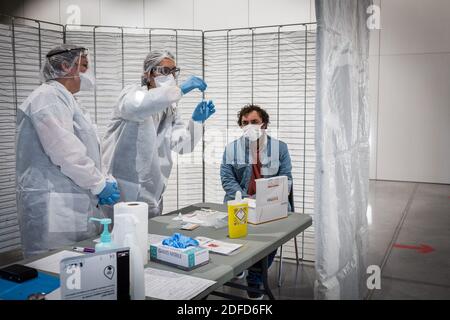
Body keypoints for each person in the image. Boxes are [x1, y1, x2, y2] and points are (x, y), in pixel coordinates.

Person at [16, 44, 120, 257]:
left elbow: (85, 149)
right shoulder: (47, 97)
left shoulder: (68, 100)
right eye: (84, 66)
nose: (88, 73)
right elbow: (64, 150)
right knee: (52, 267)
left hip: (70, 201)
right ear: (65, 66)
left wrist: (100, 178)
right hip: (53, 205)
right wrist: (98, 184)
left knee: (75, 269)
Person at [102, 50, 215, 218]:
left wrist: (196, 122)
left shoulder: (170, 108)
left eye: (173, 71)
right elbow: (140, 105)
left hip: (152, 189)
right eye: (164, 71)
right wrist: (181, 89)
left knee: (148, 237)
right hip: (121, 188)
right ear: (148, 74)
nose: (170, 76)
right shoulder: (132, 94)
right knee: (120, 238)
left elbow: (183, 146)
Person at [220, 104, 293, 299]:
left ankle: (255, 278)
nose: (249, 126)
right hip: (241, 202)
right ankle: (241, 266)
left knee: (271, 238)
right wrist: (245, 200)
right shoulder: (231, 149)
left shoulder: (280, 148)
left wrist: (267, 198)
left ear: (264, 124)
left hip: (271, 204)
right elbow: (227, 179)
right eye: (245, 123)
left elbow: (287, 178)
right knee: (234, 233)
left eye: (254, 122)